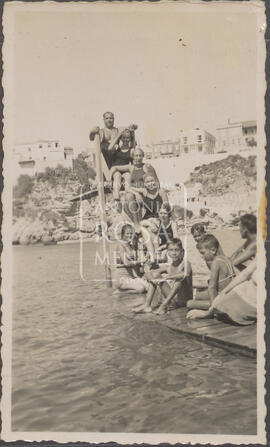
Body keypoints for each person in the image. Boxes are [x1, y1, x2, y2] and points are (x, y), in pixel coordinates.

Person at [186, 258, 257, 325]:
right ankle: (209, 313)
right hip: (244, 290)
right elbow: (244, 274)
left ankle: (212, 312)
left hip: (256, 301)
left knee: (236, 313)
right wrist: (224, 292)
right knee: (220, 304)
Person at [134, 238, 192, 314]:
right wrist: (153, 279)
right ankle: (147, 304)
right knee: (155, 275)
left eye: (177, 250)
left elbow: (185, 274)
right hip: (173, 300)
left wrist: (167, 276)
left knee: (180, 280)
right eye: (171, 250)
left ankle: (163, 306)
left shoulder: (185, 263)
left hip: (184, 300)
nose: (174, 253)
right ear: (167, 252)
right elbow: (148, 274)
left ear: (182, 251)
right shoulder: (168, 267)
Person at [186, 234, 236, 311]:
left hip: (222, 297)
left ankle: (216, 307)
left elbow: (212, 288)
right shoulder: (225, 259)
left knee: (189, 303)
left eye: (203, 253)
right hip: (230, 294)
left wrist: (213, 308)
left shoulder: (215, 263)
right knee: (197, 296)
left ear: (213, 250)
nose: (202, 256)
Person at [123, 148, 163, 226]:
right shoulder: (130, 167)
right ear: (133, 157)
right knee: (127, 199)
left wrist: (151, 193)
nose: (138, 158)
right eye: (136, 156)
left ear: (143, 156)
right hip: (136, 192)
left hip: (146, 192)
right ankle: (136, 223)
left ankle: (139, 223)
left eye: (140, 156)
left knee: (129, 197)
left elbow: (156, 182)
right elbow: (116, 167)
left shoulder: (147, 167)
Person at [114, 224, 148, 293]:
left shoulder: (131, 246)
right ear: (123, 234)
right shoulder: (120, 245)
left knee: (148, 287)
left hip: (131, 277)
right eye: (127, 233)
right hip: (121, 278)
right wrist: (139, 261)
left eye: (131, 233)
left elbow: (136, 264)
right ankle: (120, 292)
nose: (129, 235)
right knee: (141, 289)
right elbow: (126, 263)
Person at [109, 129, 134, 203]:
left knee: (128, 176)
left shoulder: (131, 150)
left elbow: (133, 161)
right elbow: (109, 148)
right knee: (117, 176)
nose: (126, 139)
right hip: (116, 170)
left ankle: (128, 195)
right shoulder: (117, 147)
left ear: (130, 139)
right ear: (121, 138)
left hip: (125, 169)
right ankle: (116, 196)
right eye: (124, 137)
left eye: (128, 138)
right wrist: (118, 135)